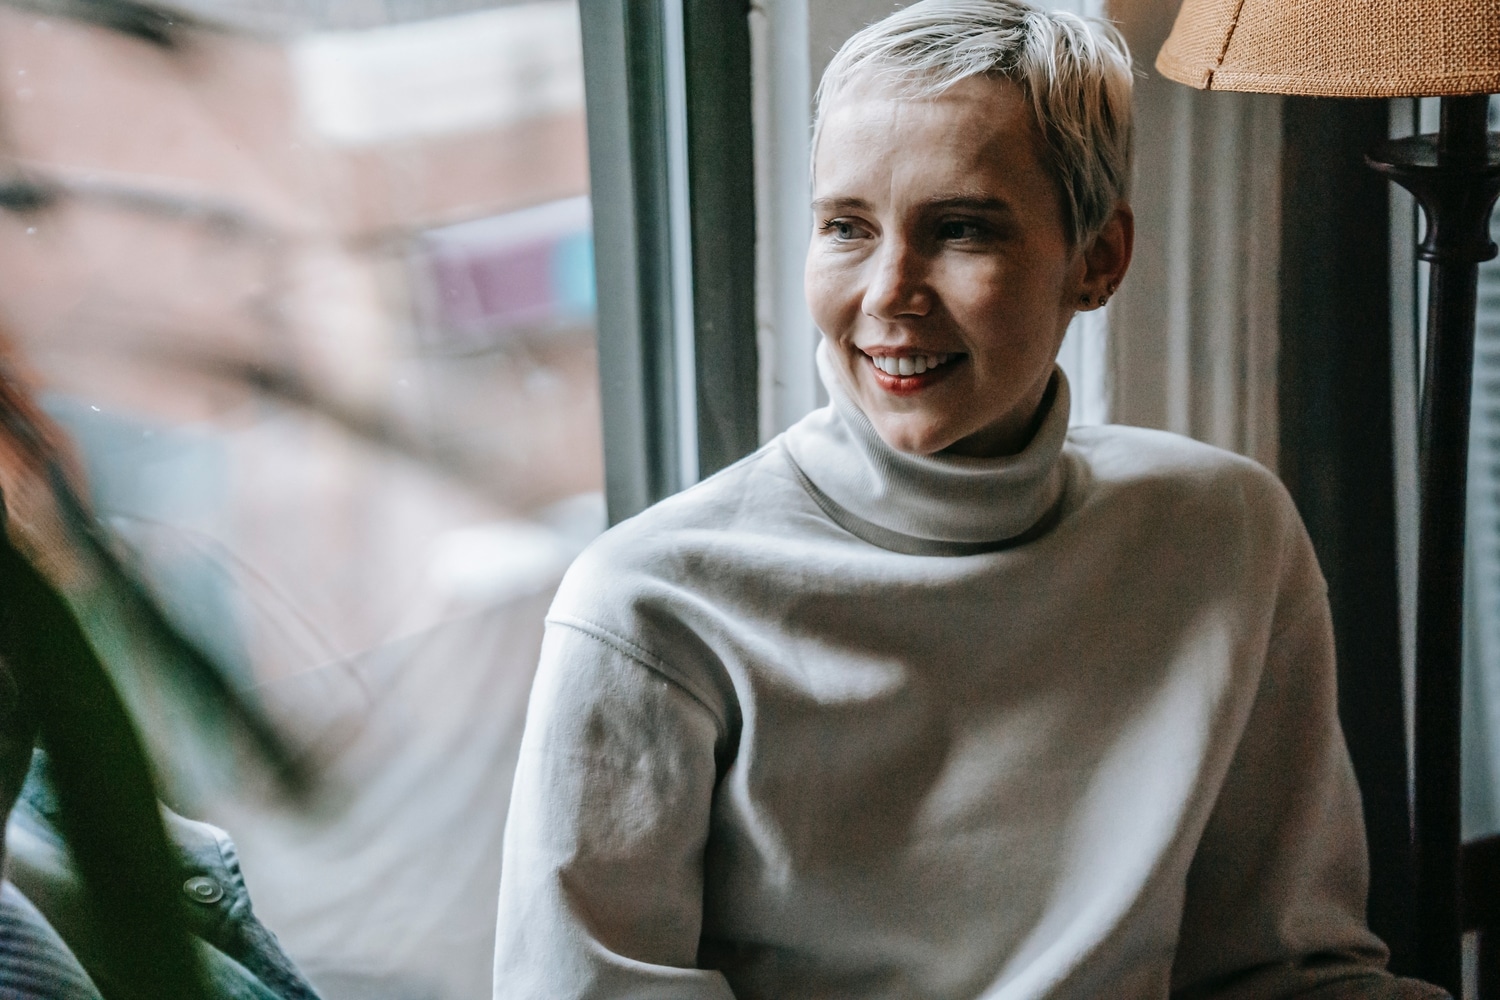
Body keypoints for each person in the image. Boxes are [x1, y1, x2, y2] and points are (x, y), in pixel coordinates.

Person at [491, 2, 1446, 997]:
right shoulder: (648, 606)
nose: (890, 291)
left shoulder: (1223, 535)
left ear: (1098, 261)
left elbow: (1292, 973)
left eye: (960, 229)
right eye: (847, 228)